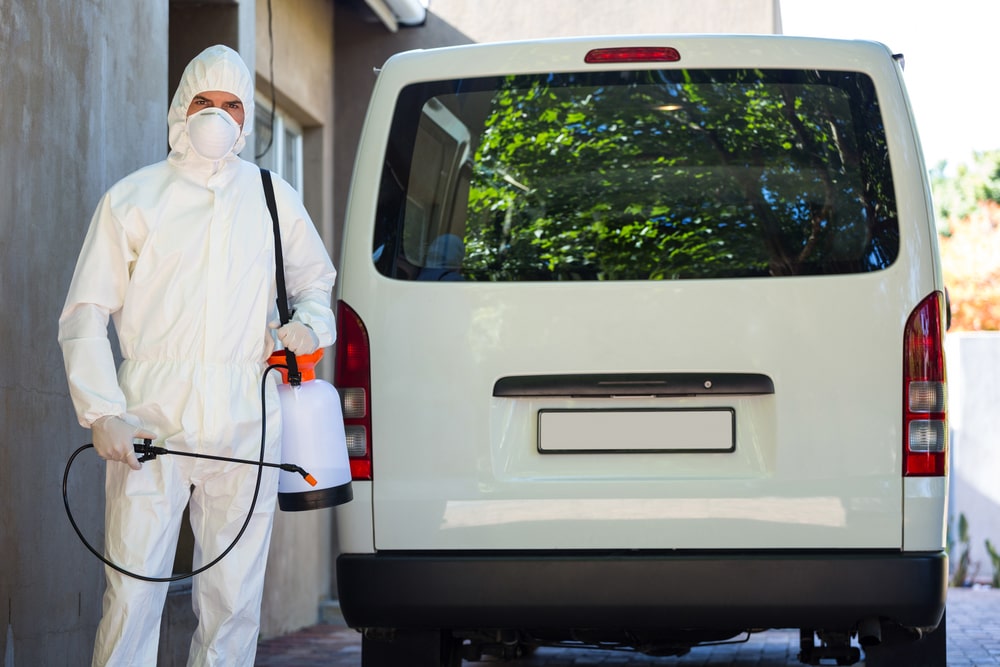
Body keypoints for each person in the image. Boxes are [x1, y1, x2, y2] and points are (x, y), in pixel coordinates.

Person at [57, 45, 336, 666]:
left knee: (234, 601)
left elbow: (316, 281)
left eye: (231, 104)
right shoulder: (135, 198)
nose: (216, 115)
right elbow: (85, 311)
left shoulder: (272, 197)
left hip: (247, 414)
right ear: (180, 108)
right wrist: (102, 411)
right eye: (203, 102)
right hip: (151, 417)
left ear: (246, 117)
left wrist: (311, 325)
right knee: (132, 594)